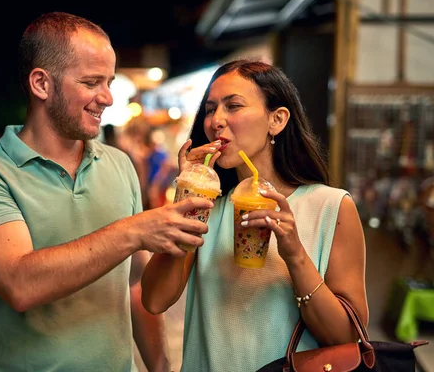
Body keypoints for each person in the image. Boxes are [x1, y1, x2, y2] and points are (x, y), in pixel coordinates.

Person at [0, 11, 214, 372]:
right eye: (91, 82)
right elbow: (19, 284)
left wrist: (161, 367)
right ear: (41, 84)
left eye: (110, 82)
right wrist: (135, 231)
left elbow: (135, 285)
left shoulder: (119, 164)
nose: (107, 97)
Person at [140, 59, 369, 371]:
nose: (216, 120)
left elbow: (347, 337)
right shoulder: (209, 207)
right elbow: (154, 300)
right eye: (210, 109)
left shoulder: (331, 207)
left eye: (233, 106)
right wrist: (189, 198)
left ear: (277, 119)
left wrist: (296, 256)